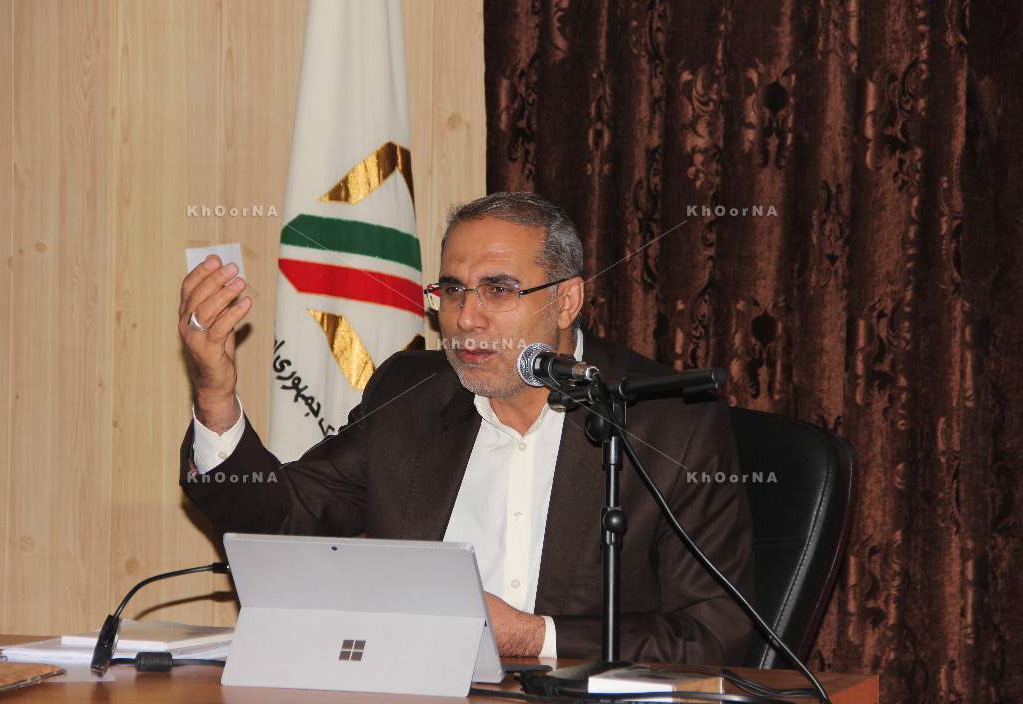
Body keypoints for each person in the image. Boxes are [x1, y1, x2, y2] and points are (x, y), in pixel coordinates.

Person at [177, 192, 754, 663]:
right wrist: (214, 393)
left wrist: (535, 637)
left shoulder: (668, 423)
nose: (465, 318)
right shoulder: (410, 397)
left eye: (499, 290)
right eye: (452, 290)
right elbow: (280, 520)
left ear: (566, 300)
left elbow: (713, 635)